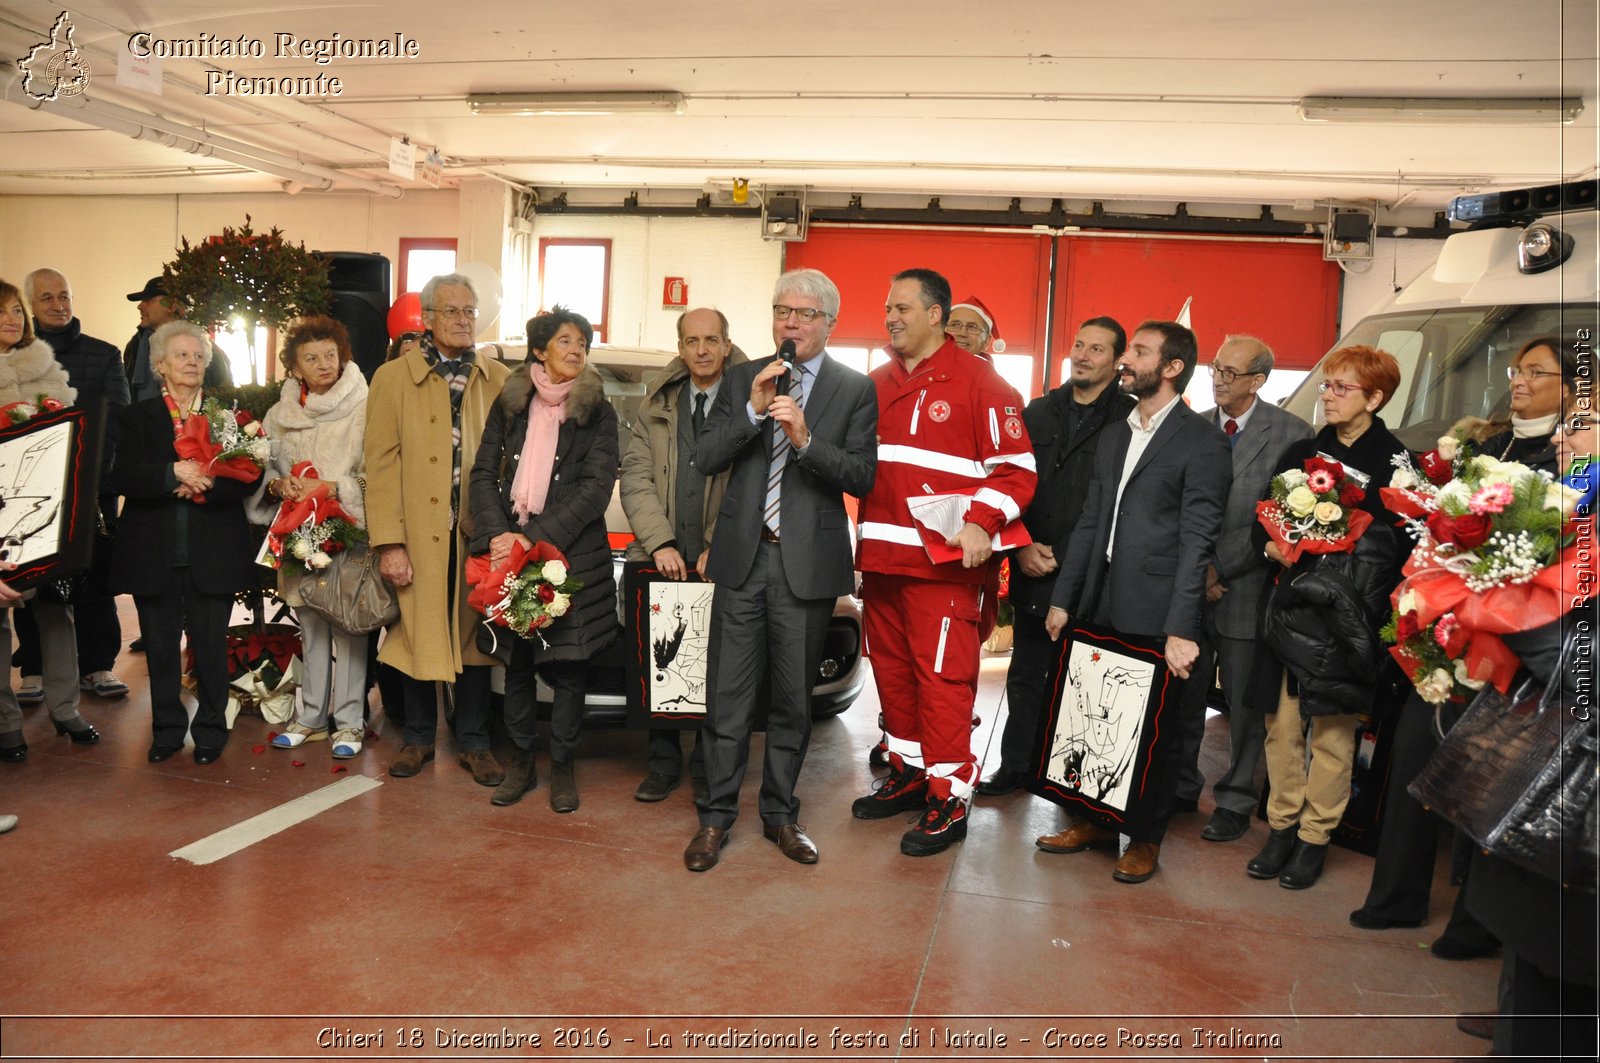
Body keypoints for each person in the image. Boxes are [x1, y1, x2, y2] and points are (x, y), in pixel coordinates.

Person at [1350, 337, 1576, 953]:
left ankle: (1475, 924)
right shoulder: (1477, 442)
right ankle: (1396, 896)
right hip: (1447, 629)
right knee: (1415, 754)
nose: (1521, 380)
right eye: (1517, 368)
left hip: (1517, 640)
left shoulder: (1574, 458)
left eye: (1537, 371)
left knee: (1488, 774)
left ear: (1572, 387)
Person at [684, 269, 877, 871]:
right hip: (743, 559)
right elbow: (706, 456)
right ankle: (714, 820)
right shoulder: (744, 377)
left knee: (793, 703)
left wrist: (805, 438)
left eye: (804, 314)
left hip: (805, 567)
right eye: (782, 311)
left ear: (829, 323)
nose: (790, 323)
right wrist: (750, 409)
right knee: (728, 699)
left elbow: (860, 475)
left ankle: (780, 816)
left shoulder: (853, 389)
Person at [1039, 320, 1232, 884]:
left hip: (1157, 609)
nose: (1127, 360)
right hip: (1098, 600)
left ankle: (1145, 839)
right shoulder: (1117, 432)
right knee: (1093, 717)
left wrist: (1182, 627)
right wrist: (1063, 599)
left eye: (1141, 353)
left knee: (1154, 732)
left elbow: (1199, 541)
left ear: (1171, 369)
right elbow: (1091, 520)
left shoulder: (1203, 442)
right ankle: (1093, 822)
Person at [852, 268, 1036, 857]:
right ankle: (906, 772)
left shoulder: (984, 384)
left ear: (936, 315)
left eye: (903, 307)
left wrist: (983, 523)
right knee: (894, 675)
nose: (891, 317)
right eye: (887, 307)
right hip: (882, 560)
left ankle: (949, 795)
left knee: (944, 683)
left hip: (942, 568)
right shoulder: (875, 383)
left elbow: (1017, 470)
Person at [1244, 345, 1407, 890]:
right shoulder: (1301, 452)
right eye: (1327, 385)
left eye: (1342, 387)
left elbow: (1402, 553)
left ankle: (1316, 837)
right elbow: (1261, 522)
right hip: (1291, 610)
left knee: (1334, 734)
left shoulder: (1397, 465)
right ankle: (1281, 826)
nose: (1328, 395)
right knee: (1282, 727)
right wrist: (1274, 548)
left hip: (1347, 620)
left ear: (1375, 398)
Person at [468, 307, 618, 812]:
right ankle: (521, 766)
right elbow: (483, 474)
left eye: (582, 342)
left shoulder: (598, 410)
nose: (576, 350)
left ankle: (563, 769)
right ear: (539, 350)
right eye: (565, 341)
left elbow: (596, 490)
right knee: (518, 666)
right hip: (512, 556)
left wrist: (529, 538)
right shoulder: (510, 404)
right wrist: (498, 536)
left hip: (570, 558)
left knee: (570, 669)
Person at [365, 273, 511, 785]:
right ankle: (418, 739)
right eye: (451, 311)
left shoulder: (497, 377)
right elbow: (379, 466)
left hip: (477, 530)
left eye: (469, 311)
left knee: (474, 638)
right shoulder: (392, 378)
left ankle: (473, 742)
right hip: (417, 533)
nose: (462, 319)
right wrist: (388, 542)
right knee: (413, 632)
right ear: (426, 319)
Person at [978, 316, 1131, 796]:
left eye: (1097, 349)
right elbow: (1011, 483)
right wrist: (1020, 543)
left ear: (1117, 360)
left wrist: (1067, 554)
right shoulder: (1038, 411)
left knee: (1090, 686)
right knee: (1025, 676)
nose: (1083, 355)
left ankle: (1076, 784)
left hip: (1094, 573)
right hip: (1033, 565)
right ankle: (1016, 768)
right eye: (1079, 344)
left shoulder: (1129, 418)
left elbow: (1121, 501)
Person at [1176, 336, 1312, 841]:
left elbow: (1281, 518)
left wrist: (1221, 571)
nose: (1218, 379)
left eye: (1231, 372)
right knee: (1185, 695)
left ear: (1259, 380)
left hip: (1248, 590)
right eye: (1215, 368)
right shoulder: (1191, 426)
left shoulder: (1292, 434)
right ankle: (1181, 786)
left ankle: (1235, 798)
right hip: (1191, 586)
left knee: (1244, 705)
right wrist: (1201, 571)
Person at [109, 321, 259, 765]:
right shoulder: (135, 417)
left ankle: (212, 729)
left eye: (198, 356)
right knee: (159, 648)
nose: (191, 362)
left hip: (213, 550)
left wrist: (204, 484)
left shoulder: (228, 416)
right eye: (181, 355)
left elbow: (250, 478)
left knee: (212, 647)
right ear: (160, 366)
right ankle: (167, 731)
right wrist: (169, 474)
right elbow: (117, 476)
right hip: (153, 551)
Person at [620, 307, 745, 803]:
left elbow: (746, 483)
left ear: (727, 343)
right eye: (692, 341)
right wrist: (661, 543)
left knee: (714, 665)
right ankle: (662, 764)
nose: (702, 350)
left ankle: (705, 765)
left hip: (720, 559)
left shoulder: (745, 400)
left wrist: (720, 542)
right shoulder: (657, 403)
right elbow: (636, 476)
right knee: (662, 662)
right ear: (680, 347)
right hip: (664, 557)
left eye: (711, 339)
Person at [250, 317, 370, 759]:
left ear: (344, 357)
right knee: (311, 625)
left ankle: (351, 723)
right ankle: (311, 716)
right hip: (298, 531)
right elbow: (266, 466)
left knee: (349, 625)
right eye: (312, 358)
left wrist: (334, 489)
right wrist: (279, 487)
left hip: (350, 528)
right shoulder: (280, 414)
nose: (324, 364)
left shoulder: (365, 405)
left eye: (330, 355)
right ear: (295, 367)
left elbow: (376, 471)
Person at [12, 268, 130, 702]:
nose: (58, 304)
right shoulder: (16, 359)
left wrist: (83, 466)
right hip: (31, 488)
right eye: (47, 298)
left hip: (90, 484)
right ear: (31, 305)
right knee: (31, 580)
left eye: (64, 295)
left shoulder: (104, 354)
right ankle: (35, 668)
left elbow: (116, 416)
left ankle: (98, 665)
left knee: (96, 578)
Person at [0, 279, 98, 763]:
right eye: (1, 313)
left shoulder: (46, 367)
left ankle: (65, 708)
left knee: (57, 608)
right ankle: (7, 724)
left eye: (16, 310)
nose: (12, 320)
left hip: (44, 506)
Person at [122, 276, 231, 402]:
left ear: (173, 305)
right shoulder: (135, 346)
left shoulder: (205, 348)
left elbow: (223, 396)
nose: (140, 306)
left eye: (149, 300)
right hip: (144, 419)